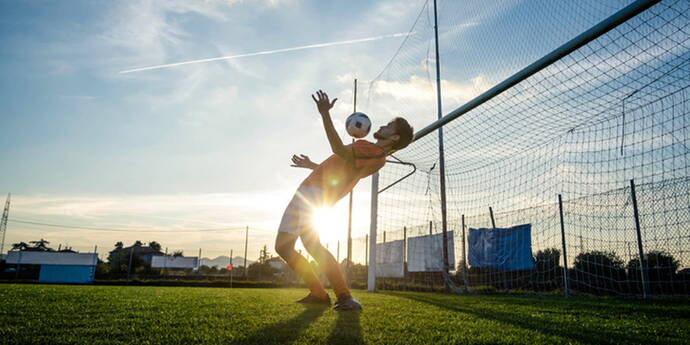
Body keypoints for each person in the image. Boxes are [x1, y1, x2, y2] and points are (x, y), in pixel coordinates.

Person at [275, 90, 414, 311]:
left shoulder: (373, 151)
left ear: (395, 137)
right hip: (315, 195)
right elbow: (340, 172)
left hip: (312, 195)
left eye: (389, 126)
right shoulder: (373, 153)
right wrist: (313, 165)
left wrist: (324, 114)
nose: (383, 126)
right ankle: (326, 294)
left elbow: (338, 150)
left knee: (285, 247)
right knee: (309, 246)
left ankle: (339, 295)